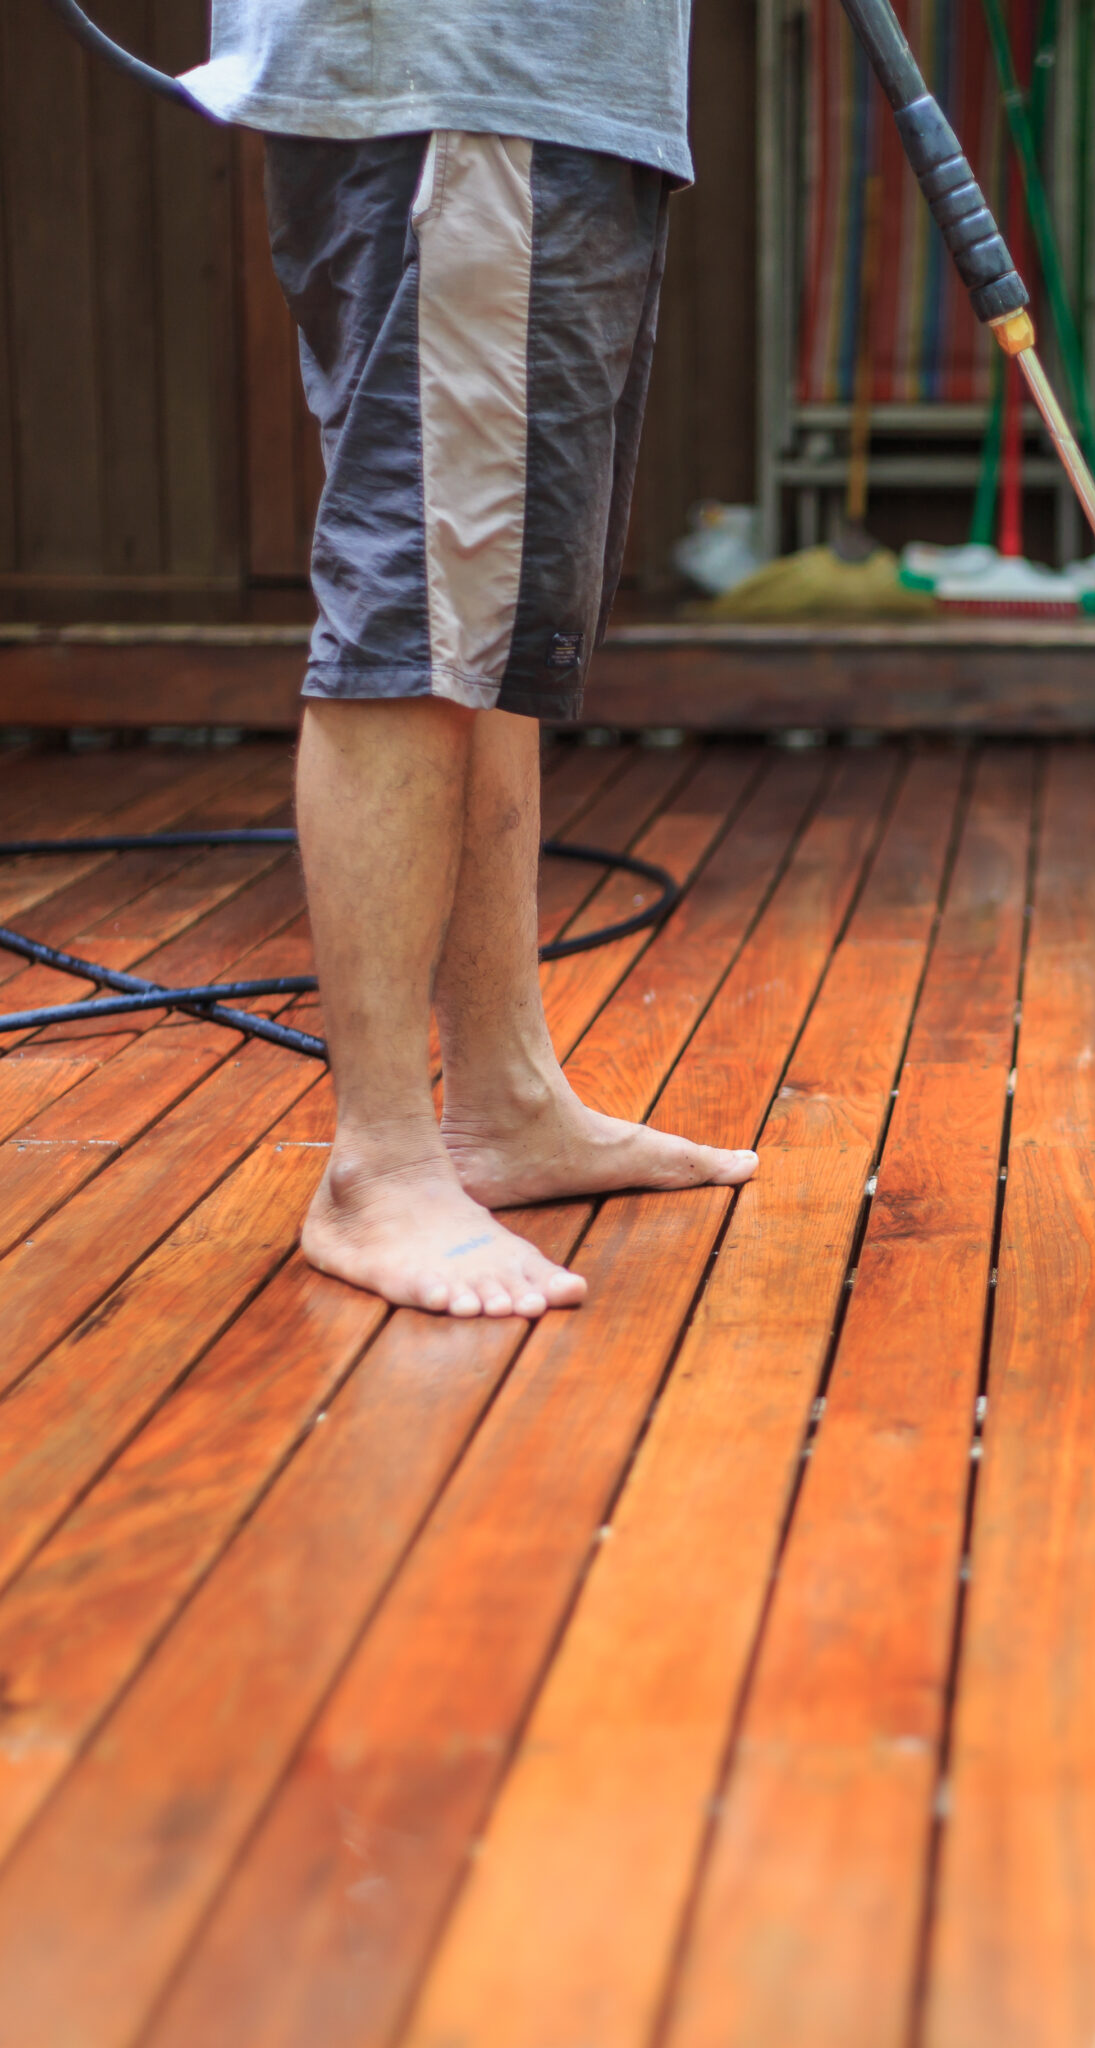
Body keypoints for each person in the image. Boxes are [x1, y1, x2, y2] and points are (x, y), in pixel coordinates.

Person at [181, 4, 757, 1319]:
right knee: (434, 597)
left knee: (493, 607)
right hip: (467, 73)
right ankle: (380, 1168)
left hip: (550, 87)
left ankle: (504, 1100)